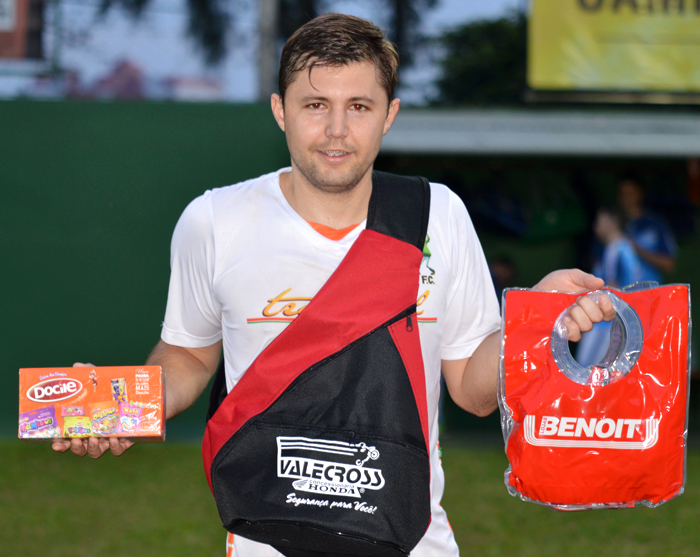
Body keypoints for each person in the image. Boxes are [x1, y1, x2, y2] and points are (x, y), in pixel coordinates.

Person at [52, 13, 614, 556]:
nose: (337, 130)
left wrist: (535, 319)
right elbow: (189, 358)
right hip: (266, 538)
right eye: (316, 105)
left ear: (389, 114)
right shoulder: (214, 220)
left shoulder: (436, 214)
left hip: (412, 539)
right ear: (280, 110)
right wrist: (117, 405)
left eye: (359, 107)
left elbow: (471, 388)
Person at [576, 206, 644, 367]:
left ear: (611, 222)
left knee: (587, 368)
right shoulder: (623, 248)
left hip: (607, 323)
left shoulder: (616, 248)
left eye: (599, 221)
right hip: (614, 322)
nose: (596, 227)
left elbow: (612, 288)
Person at [617, 172, 677, 283]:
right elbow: (597, 263)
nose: (627, 198)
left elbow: (669, 265)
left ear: (640, 193)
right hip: (617, 296)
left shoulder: (655, 224)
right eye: (623, 193)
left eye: (631, 193)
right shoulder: (612, 224)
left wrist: (637, 250)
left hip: (649, 295)